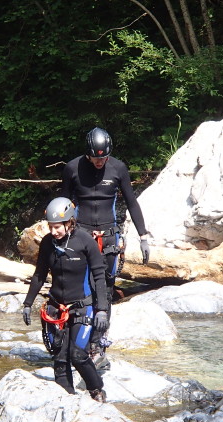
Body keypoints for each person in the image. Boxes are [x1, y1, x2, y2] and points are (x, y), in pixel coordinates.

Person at [61, 127, 150, 360]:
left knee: (106, 288)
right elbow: (64, 204)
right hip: (81, 234)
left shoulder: (118, 168)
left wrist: (143, 236)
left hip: (109, 236)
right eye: (96, 158)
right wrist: (59, 238)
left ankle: (99, 341)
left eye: (104, 158)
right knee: (82, 287)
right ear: (88, 154)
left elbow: (132, 203)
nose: (100, 162)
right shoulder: (72, 168)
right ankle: (77, 335)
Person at [21, 197, 109, 402]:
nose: (54, 231)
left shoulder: (85, 241)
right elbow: (39, 275)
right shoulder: (47, 243)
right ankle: (66, 400)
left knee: (78, 355)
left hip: (82, 307)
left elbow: (99, 276)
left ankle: (97, 391)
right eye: (51, 227)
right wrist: (27, 303)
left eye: (58, 227)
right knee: (60, 359)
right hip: (56, 308)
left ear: (70, 222)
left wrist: (102, 309)